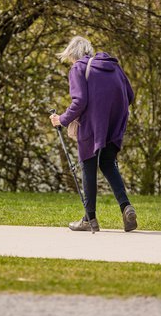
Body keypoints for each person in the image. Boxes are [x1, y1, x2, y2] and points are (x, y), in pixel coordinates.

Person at [50, 36, 137, 232]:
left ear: (73, 54)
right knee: (107, 164)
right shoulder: (114, 67)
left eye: (70, 58)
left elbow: (79, 101)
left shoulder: (78, 68)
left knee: (88, 165)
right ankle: (126, 207)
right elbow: (130, 96)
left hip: (92, 126)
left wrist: (61, 119)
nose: (71, 62)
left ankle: (90, 219)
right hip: (115, 124)